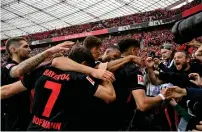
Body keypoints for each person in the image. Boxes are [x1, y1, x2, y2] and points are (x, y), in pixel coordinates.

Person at [1, 47, 116, 131]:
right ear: (84, 64)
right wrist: (104, 72)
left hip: (35, 127)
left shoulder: (42, 70)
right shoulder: (80, 78)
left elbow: (7, 91)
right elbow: (110, 96)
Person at [1, 37, 73, 131]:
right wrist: (49, 51)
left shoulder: (31, 70)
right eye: (25, 46)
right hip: (14, 120)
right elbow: (19, 70)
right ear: (13, 49)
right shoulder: (7, 67)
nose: (30, 49)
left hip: (29, 117)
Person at [107, 39, 170, 130]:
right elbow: (142, 104)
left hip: (112, 116)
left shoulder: (112, 64)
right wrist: (163, 96)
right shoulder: (132, 69)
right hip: (127, 120)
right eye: (138, 50)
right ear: (133, 50)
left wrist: (149, 68)